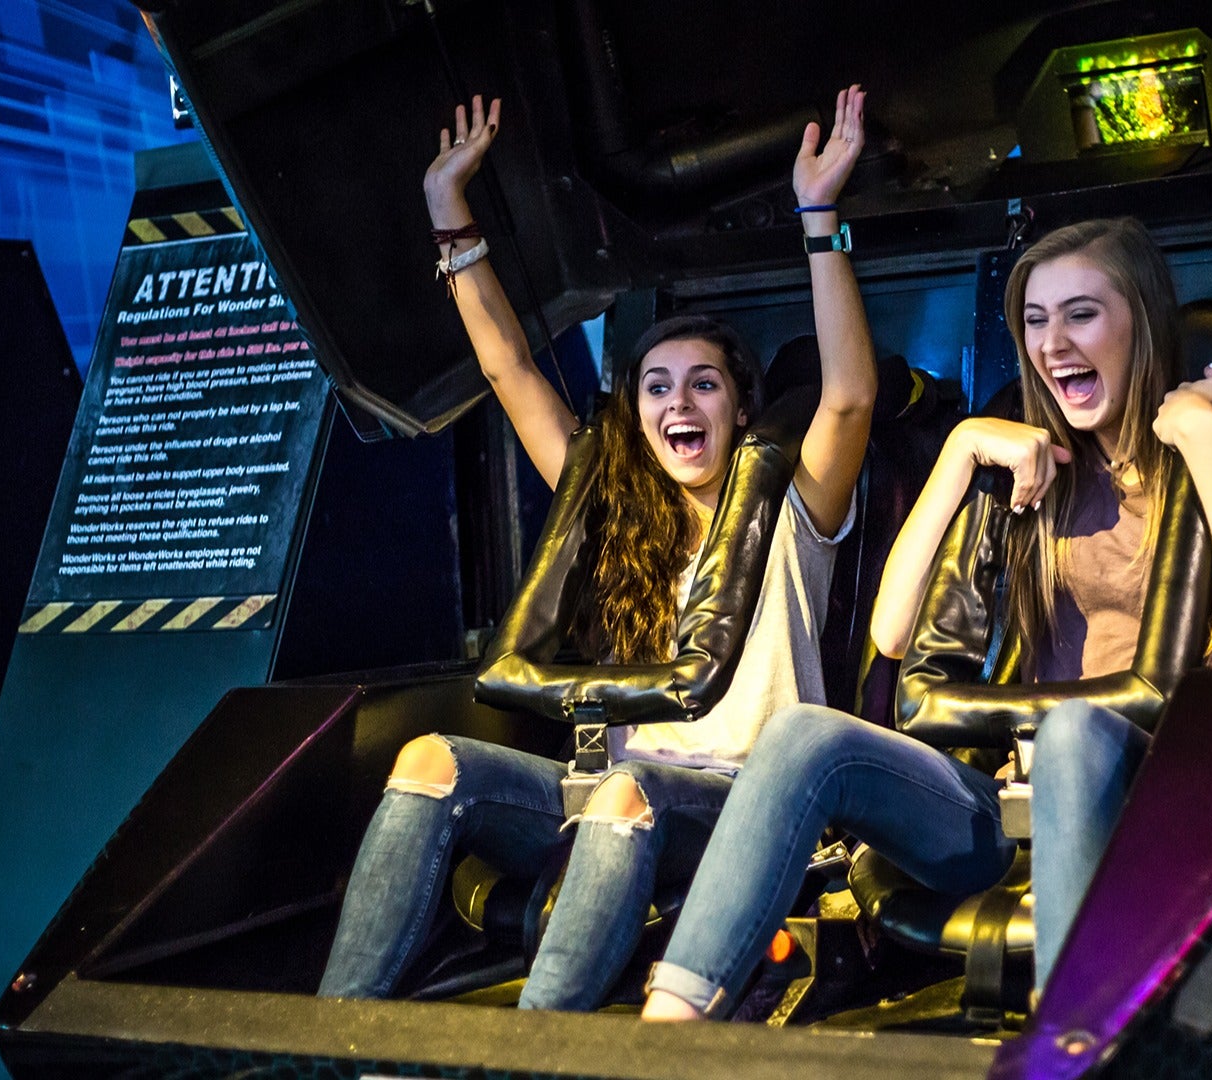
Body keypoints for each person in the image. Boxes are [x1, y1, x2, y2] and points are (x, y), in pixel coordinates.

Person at [640, 216, 1212, 1020]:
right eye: (1034, 319)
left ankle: (1066, 1045)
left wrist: (1199, 429)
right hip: (1012, 794)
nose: (1053, 342)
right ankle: (670, 1027)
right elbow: (892, 631)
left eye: (1081, 314)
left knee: (1074, 733)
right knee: (803, 734)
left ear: (1142, 320)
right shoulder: (1032, 468)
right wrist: (960, 451)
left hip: (1162, 791)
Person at [318, 87, 877, 1010]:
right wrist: (448, 213)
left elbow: (850, 397)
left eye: (703, 385)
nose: (679, 405)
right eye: (658, 388)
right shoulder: (618, 511)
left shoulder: (786, 505)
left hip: (746, 808)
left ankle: (540, 1056)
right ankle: (330, 1044)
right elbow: (510, 371)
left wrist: (820, 216)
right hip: (614, 797)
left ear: (739, 409)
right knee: (427, 760)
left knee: (629, 794)